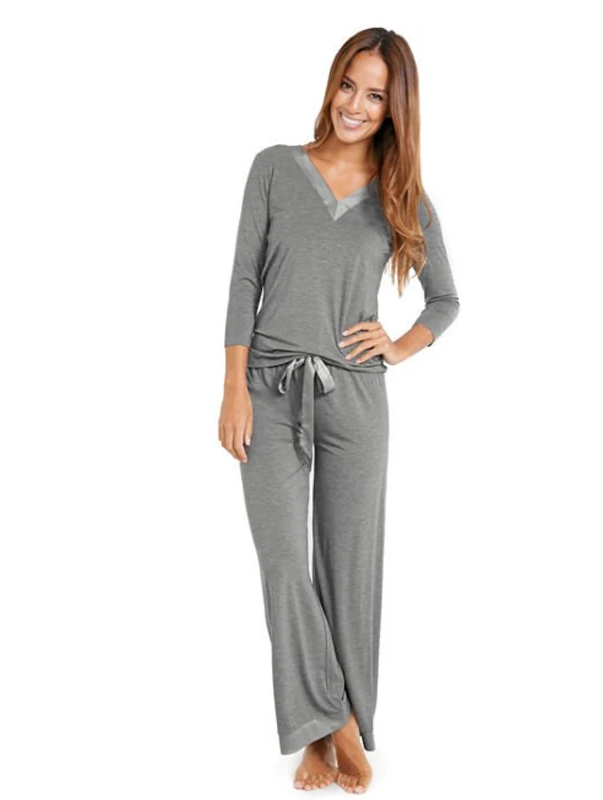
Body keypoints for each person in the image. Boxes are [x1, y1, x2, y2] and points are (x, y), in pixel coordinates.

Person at [218, 27, 459, 793]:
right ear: (332, 84)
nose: (355, 105)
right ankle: (334, 722)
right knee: (284, 562)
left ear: (395, 108)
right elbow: (242, 281)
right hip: (268, 386)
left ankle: (329, 736)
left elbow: (446, 300)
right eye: (348, 85)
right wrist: (232, 387)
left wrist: (400, 345)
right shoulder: (273, 167)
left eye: (375, 95)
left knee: (350, 568)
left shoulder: (400, 194)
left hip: (356, 394)